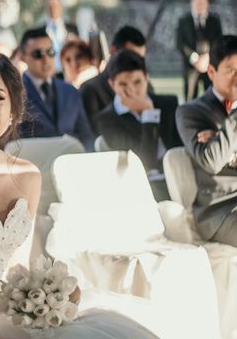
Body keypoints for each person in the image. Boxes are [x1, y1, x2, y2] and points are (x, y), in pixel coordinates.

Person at [0, 50, 158, 339]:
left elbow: (19, 267)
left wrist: (53, 294)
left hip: (19, 318)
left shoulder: (27, 177)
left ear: (13, 108)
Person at [94, 50, 182, 200]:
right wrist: (149, 115)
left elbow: (180, 149)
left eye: (137, 82)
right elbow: (146, 162)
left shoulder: (169, 103)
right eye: (123, 84)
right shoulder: (107, 120)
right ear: (112, 84)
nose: (132, 91)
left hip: (179, 174)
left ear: (146, 77)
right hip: (144, 186)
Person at [176, 35, 237, 247]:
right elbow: (212, 161)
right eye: (231, 71)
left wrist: (224, 142)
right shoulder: (191, 112)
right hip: (221, 209)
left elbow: (223, 154)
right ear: (211, 72)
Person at [19, 28, 94, 151]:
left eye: (50, 52)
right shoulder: (14, 93)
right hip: (35, 163)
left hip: (71, 163)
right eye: (38, 54)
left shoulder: (70, 91)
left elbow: (86, 135)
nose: (46, 60)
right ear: (22, 57)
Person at [80, 25, 151, 133]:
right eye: (130, 56)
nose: (135, 63)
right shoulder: (90, 89)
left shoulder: (146, 85)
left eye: (140, 59)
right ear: (113, 51)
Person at [176, 0, 223, 100]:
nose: (199, 4)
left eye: (202, 2)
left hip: (210, 66)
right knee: (190, 97)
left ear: (207, 4)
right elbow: (180, 43)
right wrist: (195, 59)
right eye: (197, 2)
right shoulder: (183, 21)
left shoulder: (214, 21)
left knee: (212, 96)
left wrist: (207, 58)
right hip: (190, 66)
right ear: (191, 3)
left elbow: (219, 41)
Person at [40, 0, 79, 70]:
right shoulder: (41, 30)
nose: (53, 9)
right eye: (50, 7)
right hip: (50, 70)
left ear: (61, 7)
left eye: (55, 6)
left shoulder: (72, 28)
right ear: (47, 9)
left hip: (69, 68)